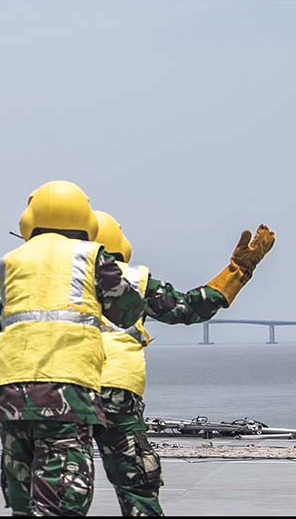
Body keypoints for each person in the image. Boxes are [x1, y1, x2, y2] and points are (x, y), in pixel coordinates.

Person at [0, 181, 275, 516]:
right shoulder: (102, 266)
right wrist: (238, 272)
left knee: (25, 497)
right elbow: (175, 308)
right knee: (104, 489)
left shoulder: (15, 264)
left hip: (14, 395)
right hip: (75, 394)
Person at [91, 211, 273, 516]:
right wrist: (239, 269)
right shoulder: (132, 280)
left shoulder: (51, 279)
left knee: (58, 482)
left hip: (60, 389)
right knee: (138, 482)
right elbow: (190, 308)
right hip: (117, 391)